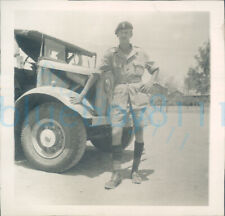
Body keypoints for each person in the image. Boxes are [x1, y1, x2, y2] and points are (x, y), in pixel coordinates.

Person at [70, 21, 159, 189]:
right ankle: (116, 173)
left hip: (138, 94)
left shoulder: (141, 53)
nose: (124, 34)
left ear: (131, 34)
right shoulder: (110, 54)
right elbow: (96, 73)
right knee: (116, 131)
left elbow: (155, 69)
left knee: (139, 130)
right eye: (121, 32)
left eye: (127, 31)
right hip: (119, 93)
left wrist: (151, 82)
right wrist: (81, 95)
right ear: (117, 35)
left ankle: (135, 172)